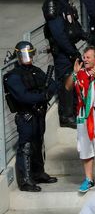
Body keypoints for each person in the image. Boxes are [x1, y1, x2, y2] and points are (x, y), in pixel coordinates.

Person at [3, 41, 59, 192]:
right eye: (25, 55)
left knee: (38, 143)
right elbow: (23, 97)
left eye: (30, 54)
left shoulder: (35, 71)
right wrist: (42, 95)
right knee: (26, 146)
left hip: (38, 114)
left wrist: (45, 94)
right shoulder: (13, 76)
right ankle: (26, 180)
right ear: (19, 56)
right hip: (26, 115)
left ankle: (38, 172)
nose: (29, 58)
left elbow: (53, 85)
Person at [64, 47, 95, 193]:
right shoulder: (79, 73)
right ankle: (89, 179)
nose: (85, 59)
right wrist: (74, 73)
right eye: (84, 57)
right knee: (85, 149)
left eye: (88, 57)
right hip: (83, 115)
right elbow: (67, 87)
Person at [41, 0, 83, 128]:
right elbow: (58, 34)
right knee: (66, 81)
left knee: (73, 79)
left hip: (69, 48)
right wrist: (71, 52)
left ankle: (73, 110)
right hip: (62, 51)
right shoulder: (52, 4)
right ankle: (66, 116)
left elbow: (71, 23)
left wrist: (82, 35)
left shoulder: (62, 0)